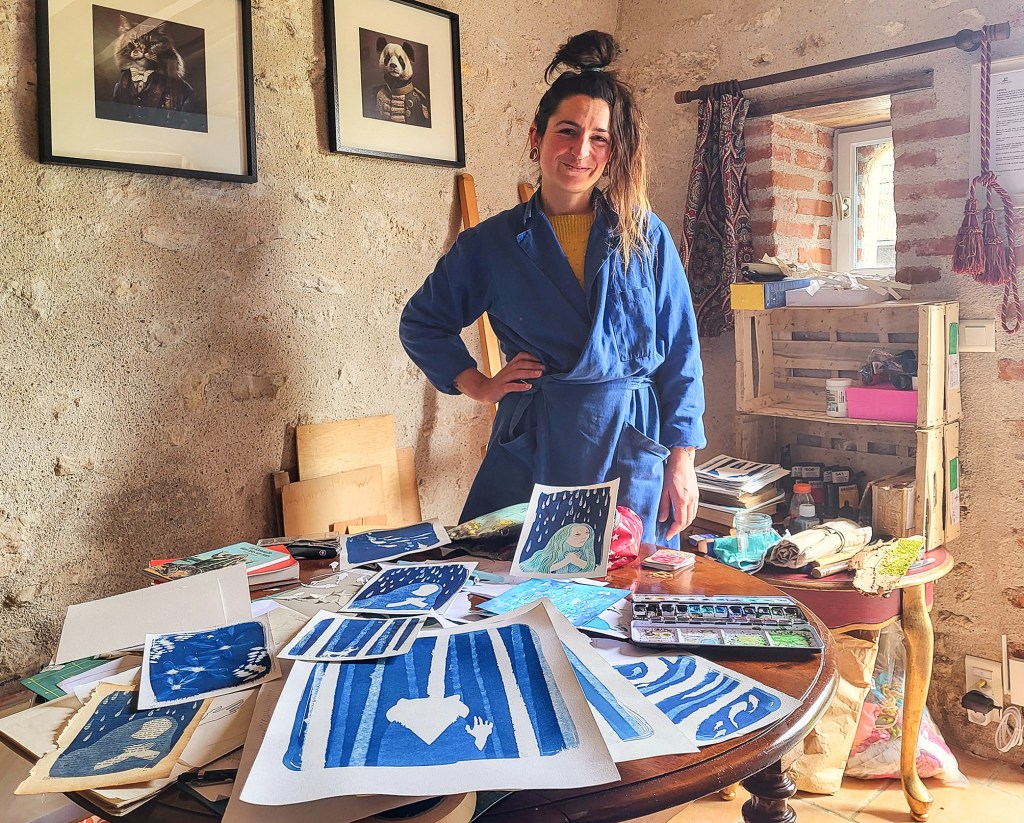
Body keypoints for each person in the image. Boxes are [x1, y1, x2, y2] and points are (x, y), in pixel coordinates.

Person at [400, 31, 705, 547]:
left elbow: (680, 351)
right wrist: (479, 385)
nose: (581, 151)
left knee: (628, 584)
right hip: (537, 438)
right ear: (536, 136)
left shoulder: (644, 235)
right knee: (517, 578)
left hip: (629, 439)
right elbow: (422, 323)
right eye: (567, 131)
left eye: (599, 138)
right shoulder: (491, 244)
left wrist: (682, 459)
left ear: (612, 150)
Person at [520, 522, 597, 574]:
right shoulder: (547, 553)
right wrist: (566, 561)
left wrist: (574, 560)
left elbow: (590, 568)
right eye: (577, 534)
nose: (584, 537)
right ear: (564, 537)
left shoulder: (586, 551)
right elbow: (544, 569)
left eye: (587, 533)